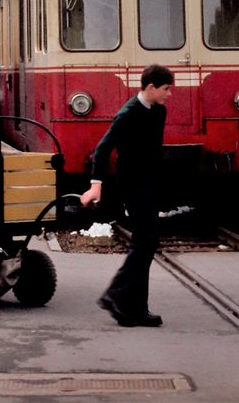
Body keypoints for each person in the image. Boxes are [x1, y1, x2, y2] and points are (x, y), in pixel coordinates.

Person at [80, 63, 174, 328]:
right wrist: (96, 185)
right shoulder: (128, 115)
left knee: (146, 243)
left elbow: (153, 151)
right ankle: (116, 296)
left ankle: (134, 307)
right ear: (151, 87)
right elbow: (102, 149)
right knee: (145, 241)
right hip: (132, 185)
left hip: (149, 183)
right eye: (166, 89)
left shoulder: (158, 112)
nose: (169, 94)